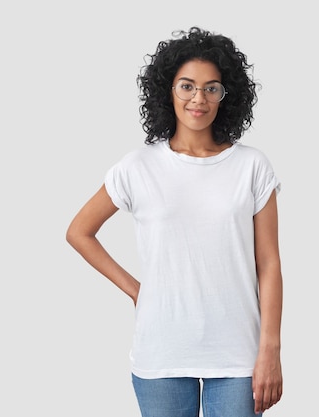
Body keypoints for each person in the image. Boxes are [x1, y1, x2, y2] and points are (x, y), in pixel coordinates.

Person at [65, 27, 283, 417]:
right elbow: (80, 232)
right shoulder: (138, 166)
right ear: (168, 90)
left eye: (212, 88)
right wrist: (135, 290)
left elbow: (268, 263)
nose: (199, 98)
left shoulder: (252, 166)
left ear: (226, 95)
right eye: (187, 86)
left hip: (237, 357)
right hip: (161, 353)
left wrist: (270, 349)